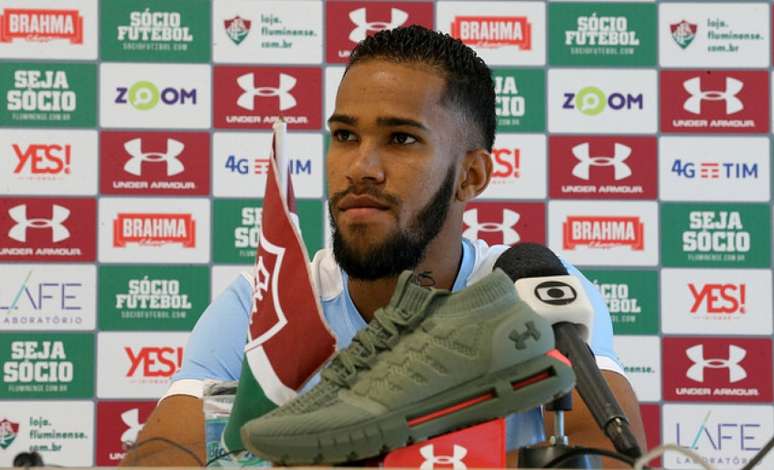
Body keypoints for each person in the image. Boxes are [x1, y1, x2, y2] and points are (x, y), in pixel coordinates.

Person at [121, 25, 646, 466]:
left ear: (471, 175)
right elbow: (161, 456)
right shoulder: (269, 303)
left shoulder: (531, 288)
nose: (360, 168)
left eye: (401, 139)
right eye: (345, 135)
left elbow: (612, 452)